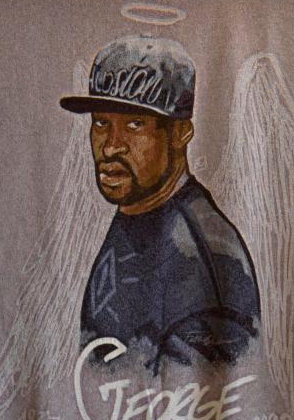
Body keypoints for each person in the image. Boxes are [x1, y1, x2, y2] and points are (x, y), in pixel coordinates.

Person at [60, 35, 261, 371]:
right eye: (101, 123)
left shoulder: (200, 256)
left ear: (181, 133)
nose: (111, 147)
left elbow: (206, 407)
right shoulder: (139, 209)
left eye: (135, 125)